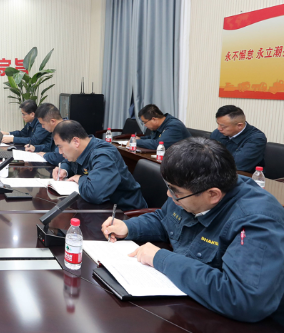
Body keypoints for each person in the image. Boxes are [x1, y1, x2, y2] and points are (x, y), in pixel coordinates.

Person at [102, 138, 284, 322]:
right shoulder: (190, 191)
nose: (169, 195)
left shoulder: (258, 221)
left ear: (213, 194)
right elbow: (165, 219)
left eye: (175, 191)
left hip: (243, 330)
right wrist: (129, 227)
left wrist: (161, 259)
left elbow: (243, 299)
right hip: (190, 304)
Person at [52, 120, 147, 210]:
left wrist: (80, 178)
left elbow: (95, 193)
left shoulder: (103, 155)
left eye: (60, 147)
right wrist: (64, 169)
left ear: (76, 142)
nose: (59, 152)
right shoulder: (82, 148)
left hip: (125, 213)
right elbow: (69, 162)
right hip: (103, 208)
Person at [209, 105, 266, 173]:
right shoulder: (217, 133)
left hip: (245, 176)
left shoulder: (257, 138)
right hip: (217, 173)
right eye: (218, 124)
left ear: (239, 125)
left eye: (223, 126)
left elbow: (237, 164)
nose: (219, 128)